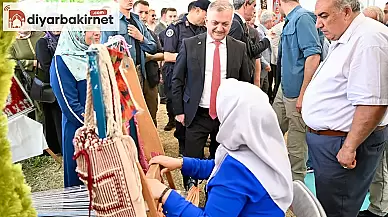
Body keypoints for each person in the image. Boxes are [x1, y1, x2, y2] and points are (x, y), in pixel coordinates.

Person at [147, 78, 293, 217]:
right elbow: (218, 166)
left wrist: (164, 194)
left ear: (231, 118)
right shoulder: (263, 147)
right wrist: (181, 163)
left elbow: (229, 175)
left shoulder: (237, 170)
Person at [302, 0, 388, 216]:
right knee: (330, 206)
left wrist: (349, 147)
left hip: (343, 143)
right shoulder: (347, 35)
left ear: (346, 12)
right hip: (333, 142)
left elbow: (373, 102)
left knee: (337, 210)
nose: (318, 25)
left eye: (324, 16)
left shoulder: (369, 39)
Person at [172, 0, 251, 189]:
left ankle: (213, 194)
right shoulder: (190, 44)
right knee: (191, 160)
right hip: (196, 114)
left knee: (221, 161)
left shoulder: (238, 47)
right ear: (206, 20)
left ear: (231, 23)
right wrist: (179, 111)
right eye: (215, 23)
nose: (219, 28)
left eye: (225, 24)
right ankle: (191, 194)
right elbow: (177, 80)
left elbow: (245, 83)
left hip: (226, 117)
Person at [272, 0, 322, 183]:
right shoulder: (291, 19)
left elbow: (313, 56)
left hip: (295, 94)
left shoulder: (302, 18)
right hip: (284, 90)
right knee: (269, 130)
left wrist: (303, 94)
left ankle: (295, 190)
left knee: (296, 146)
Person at [162, 0, 210, 190]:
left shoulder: (202, 29)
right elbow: (167, 55)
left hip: (195, 83)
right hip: (178, 80)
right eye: (205, 13)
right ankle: (185, 153)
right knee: (182, 121)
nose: (206, 18)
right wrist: (192, 56)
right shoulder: (176, 29)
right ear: (196, 10)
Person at [50, 25, 101, 187]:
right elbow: (69, 104)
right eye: (90, 29)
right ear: (76, 33)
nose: (97, 32)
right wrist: (93, 125)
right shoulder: (62, 61)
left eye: (99, 27)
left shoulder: (92, 54)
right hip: (78, 131)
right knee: (80, 176)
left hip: (99, 126)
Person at [100, 0, 157, 92]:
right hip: (121, 75)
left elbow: (153, 47)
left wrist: (141, 38)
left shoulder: (138, 21)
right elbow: (105, 54)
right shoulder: (110, 22)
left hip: (139, 71)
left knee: (139, 105)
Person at [133, 0, 164, 127]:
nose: (144, 15)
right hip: (133, 79)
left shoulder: (151, 34)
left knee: (151, 114)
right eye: (140, 12)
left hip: (150, 80)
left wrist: (149, 57)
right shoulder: (127, 32)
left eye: (146, 12)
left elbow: (162, 54)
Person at [35, 31, 62, 155]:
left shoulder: (66, 39)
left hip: (64, 82)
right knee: (55, 117)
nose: (56, 27)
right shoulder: (43, 42)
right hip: (51, 84)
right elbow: (46, 65)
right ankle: (59, 148)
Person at [229, 0, 270, 80]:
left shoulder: (240, 23)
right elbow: (233, 59)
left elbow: (250, 49)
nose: (254, 10)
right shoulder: (236, 24)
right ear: (245, 4)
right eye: (254, 6)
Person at [10, 31, 45, 122]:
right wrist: (32, 63)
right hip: (25, 82)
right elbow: (8, 61)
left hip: (44, 79)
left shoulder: (41, 35)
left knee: (47, 112)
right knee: (34, 112)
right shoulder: (11, 40)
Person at [257, 10, 275, 94]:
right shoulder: (259, 32)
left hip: (265, 69)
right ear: (268, 21)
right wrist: (265, 64)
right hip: (261, 68)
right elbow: (258, 51)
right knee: (260, 92)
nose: (274, 23)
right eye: (273, 21)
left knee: (266, 89)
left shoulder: (265, 32)